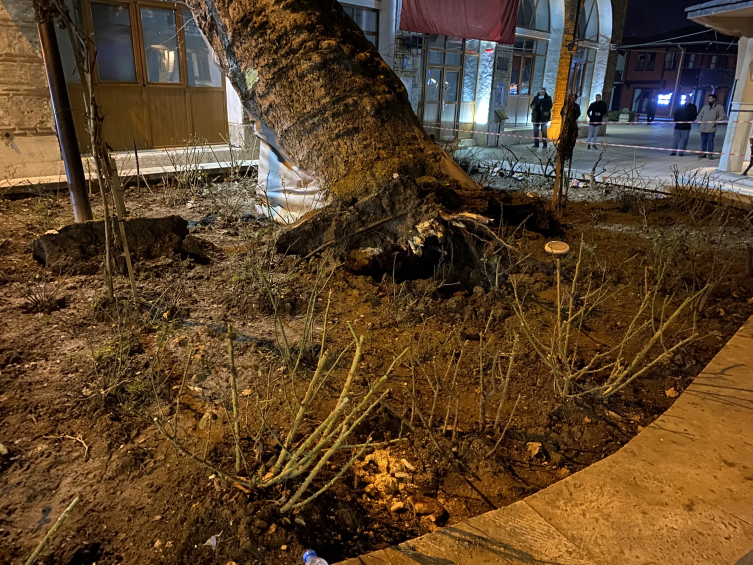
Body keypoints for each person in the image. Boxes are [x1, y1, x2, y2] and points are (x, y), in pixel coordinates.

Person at [696, 93, 726, 159]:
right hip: (703, 127)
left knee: (710, 141)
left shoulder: (719, 107)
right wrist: (700, 122)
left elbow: (722, 115)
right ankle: (703, 153)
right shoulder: (705, 107)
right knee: (703, 141)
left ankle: (710, 154)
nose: (709, 100)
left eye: (710, 98)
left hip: (711, 128)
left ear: (714, 99)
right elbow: (700, 115)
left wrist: (716, 121)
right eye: (708, 98)